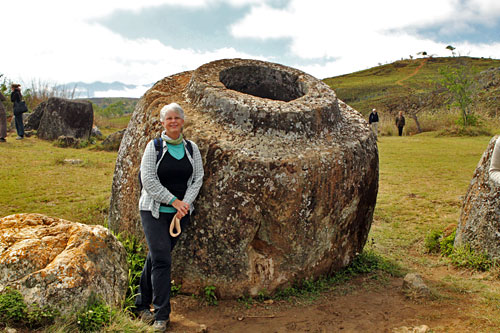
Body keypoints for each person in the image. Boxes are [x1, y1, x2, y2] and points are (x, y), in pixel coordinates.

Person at [135, 102, 204, 332]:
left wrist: (185, 205)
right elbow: (149, 181)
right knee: (163, 259)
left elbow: (197, 178)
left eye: (177, 117)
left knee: (156, 257)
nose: (173, 121)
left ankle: (140, 304)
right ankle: (162, 315)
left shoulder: (192, 148)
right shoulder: (153, 148)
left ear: (182, 122)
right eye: (169, 118)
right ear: (162, 123)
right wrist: (174, 201)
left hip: (179, 214)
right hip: (153, 211)